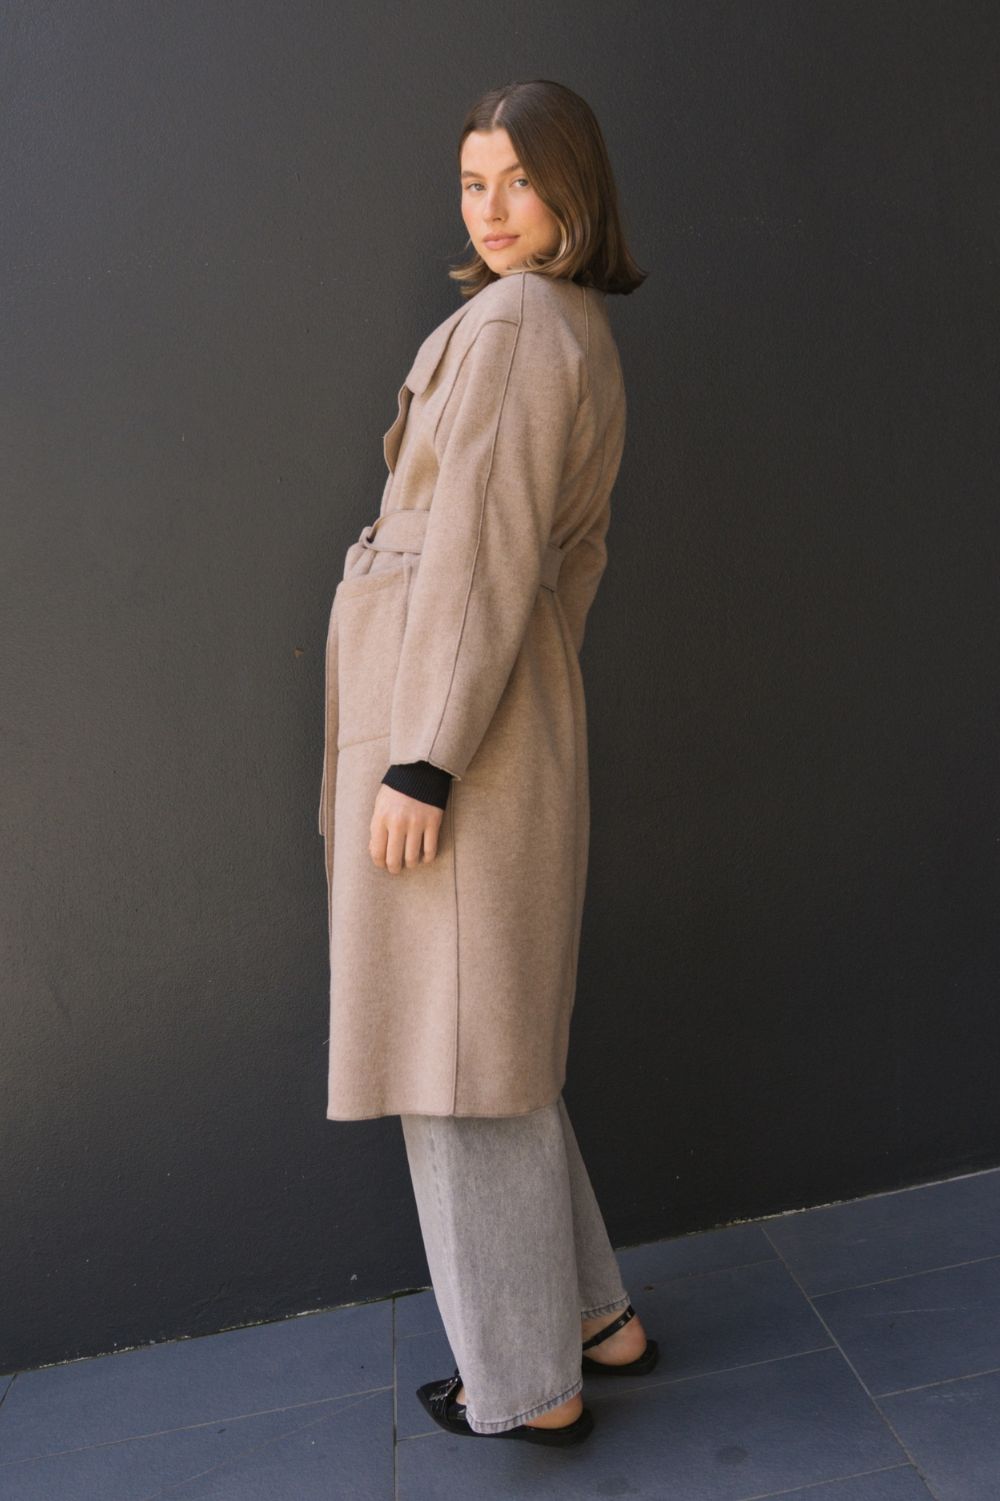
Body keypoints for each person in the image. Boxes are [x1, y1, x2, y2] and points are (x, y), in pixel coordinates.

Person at [318, 79, 651, 1446]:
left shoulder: (515, 325)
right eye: (473, 182)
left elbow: (485, 549)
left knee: (451, 1058)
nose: (492, 208)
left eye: (519, 178)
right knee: (489, 1038)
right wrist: (515, 689)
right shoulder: (569, 327)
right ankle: (594, 1316)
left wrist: (427, 757)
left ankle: (527, 1384)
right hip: (497, 705)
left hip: (448, 727)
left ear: (574, 186)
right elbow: (564, 564)